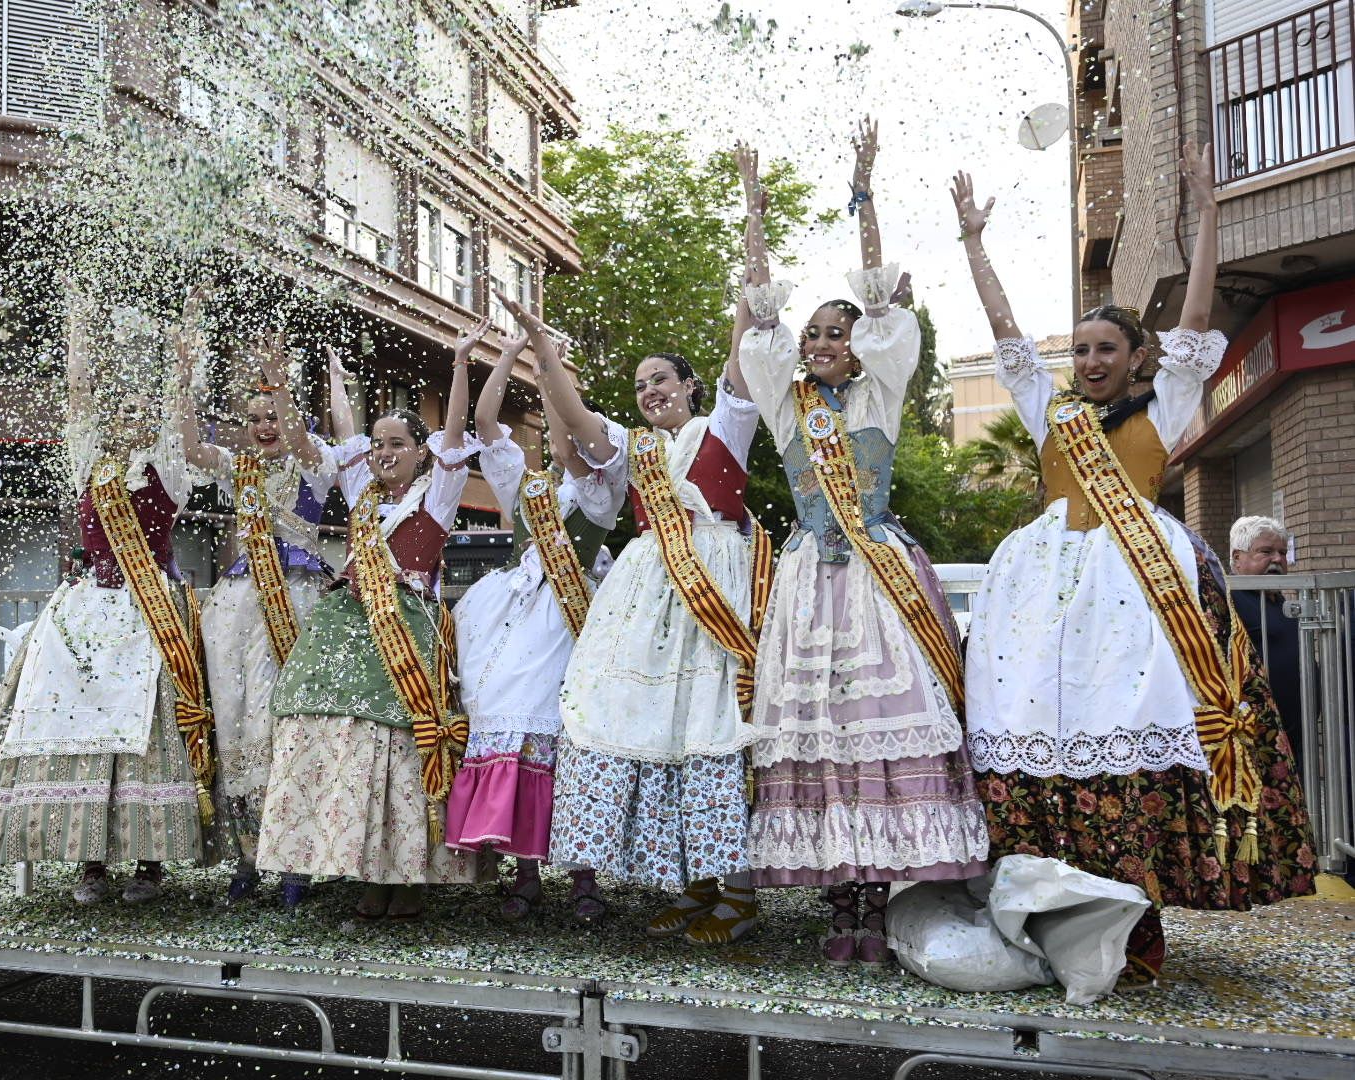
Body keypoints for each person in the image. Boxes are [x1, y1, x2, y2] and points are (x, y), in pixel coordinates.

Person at [954, 142, 1316, 983]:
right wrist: (975, 244)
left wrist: (1211, 213)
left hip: (1137, 588)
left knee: (1128, 746)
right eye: (1079, 350)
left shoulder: (1172, 399)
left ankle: (1136, 918)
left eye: (1104, 349)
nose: (1088, 362)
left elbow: (1194, 321)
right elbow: (1005, 331)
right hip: (1040, 594)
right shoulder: (1051, 408)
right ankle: (1048, 910)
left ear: (1135, 356)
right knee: (1037, 740)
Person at [734, 124, 988, 968]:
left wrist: (864, 188)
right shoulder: (786, 404)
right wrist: (753, 210)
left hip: (877, 573)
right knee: (815, 731)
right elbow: (759, 311)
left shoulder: (879, 397)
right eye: (812, 336)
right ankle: (836, 903)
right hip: (811, 577)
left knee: (875, 725)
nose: (819, 344)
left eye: (834, 333)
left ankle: (876, 905)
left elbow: (881, 302)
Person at [0, 290, 214, 904]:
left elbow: (181, 408)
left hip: (151, 615)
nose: (132, 418)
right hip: (86, 613)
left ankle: (150, 861)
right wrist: (76, 321)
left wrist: (185, 345)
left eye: (144, 411)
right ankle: (89, 859)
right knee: (71, 729)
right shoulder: (89, 462)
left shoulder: (167, 468)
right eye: (123, 409)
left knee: (150, 734)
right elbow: (77, 394)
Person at [532, 273, 769, 947]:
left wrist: (748, 278)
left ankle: (741, 894)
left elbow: (741, 354)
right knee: (659, 731)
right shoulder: (636, 448)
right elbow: (577, 422)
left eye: (661, 377)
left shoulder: (725, 425)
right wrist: (543, 356)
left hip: (710, 586)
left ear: (692, 386)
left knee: (711, 726)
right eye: (640, 385)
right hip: (646, 595)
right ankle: (698, 889)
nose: (650, 391)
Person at [256, 321, 493, 921]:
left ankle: (409, 876)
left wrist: (461, 363)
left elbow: (458, 428)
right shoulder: (361, 490)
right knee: (343, 739)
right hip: (346, 625)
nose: (385, 452)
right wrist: (310, 385)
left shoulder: (437, 493)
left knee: (401, 746)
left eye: (398, 443)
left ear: (422, 451)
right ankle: (359, 863)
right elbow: (325, 439)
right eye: (379, 442)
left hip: (406, 625)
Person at [444, 300, 621, 923]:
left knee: (568, 735)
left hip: (572, 623)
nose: (571, 440)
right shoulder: (528, 485)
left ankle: (583, 878)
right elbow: (486, 419)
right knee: (511, 724)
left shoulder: (601, 494)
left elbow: (567, 427)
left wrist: (551, 373)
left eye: (582, 434)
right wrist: (514, 354)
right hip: (520, 616)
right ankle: (525, 873)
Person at [177, 304, 339, 905]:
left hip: (294, 599)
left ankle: (294, 858)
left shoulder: (313, 461)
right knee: (237, 720)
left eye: (272, 414)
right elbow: (193, 449)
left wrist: (280, 381)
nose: (265, 425)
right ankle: (247, 858)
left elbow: (298, 435)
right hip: (238, 603)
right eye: (254, 418)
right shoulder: (238, 467)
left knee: (283, 721)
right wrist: (184, 376)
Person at [1229, 516, 1304, 768]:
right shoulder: (1228, 602)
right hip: (1257, 736)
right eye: (1266, 551)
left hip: (1295, 733)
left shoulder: (1279, 599)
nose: (1277, 559)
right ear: (1237, 558)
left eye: (1282, 552)